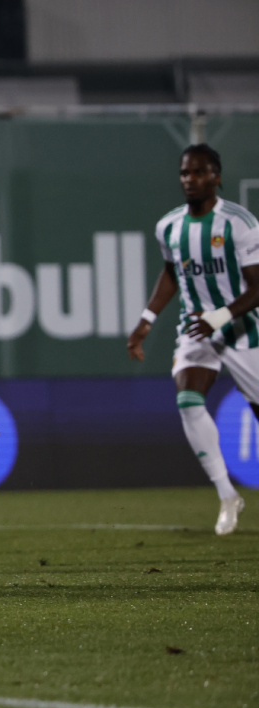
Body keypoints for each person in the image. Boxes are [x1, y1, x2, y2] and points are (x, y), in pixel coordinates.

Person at [127, 143, 257, 535]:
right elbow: (171, 272)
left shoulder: (238, 223)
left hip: (242, 328)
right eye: (185, 173)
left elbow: (257, 286)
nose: (190, 179)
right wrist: (147, 319)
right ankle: (226, 495)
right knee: (188, 399)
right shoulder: (169, 225)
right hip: (196, 328)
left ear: (216, 176)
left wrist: (219, 316)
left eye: (199, 172)